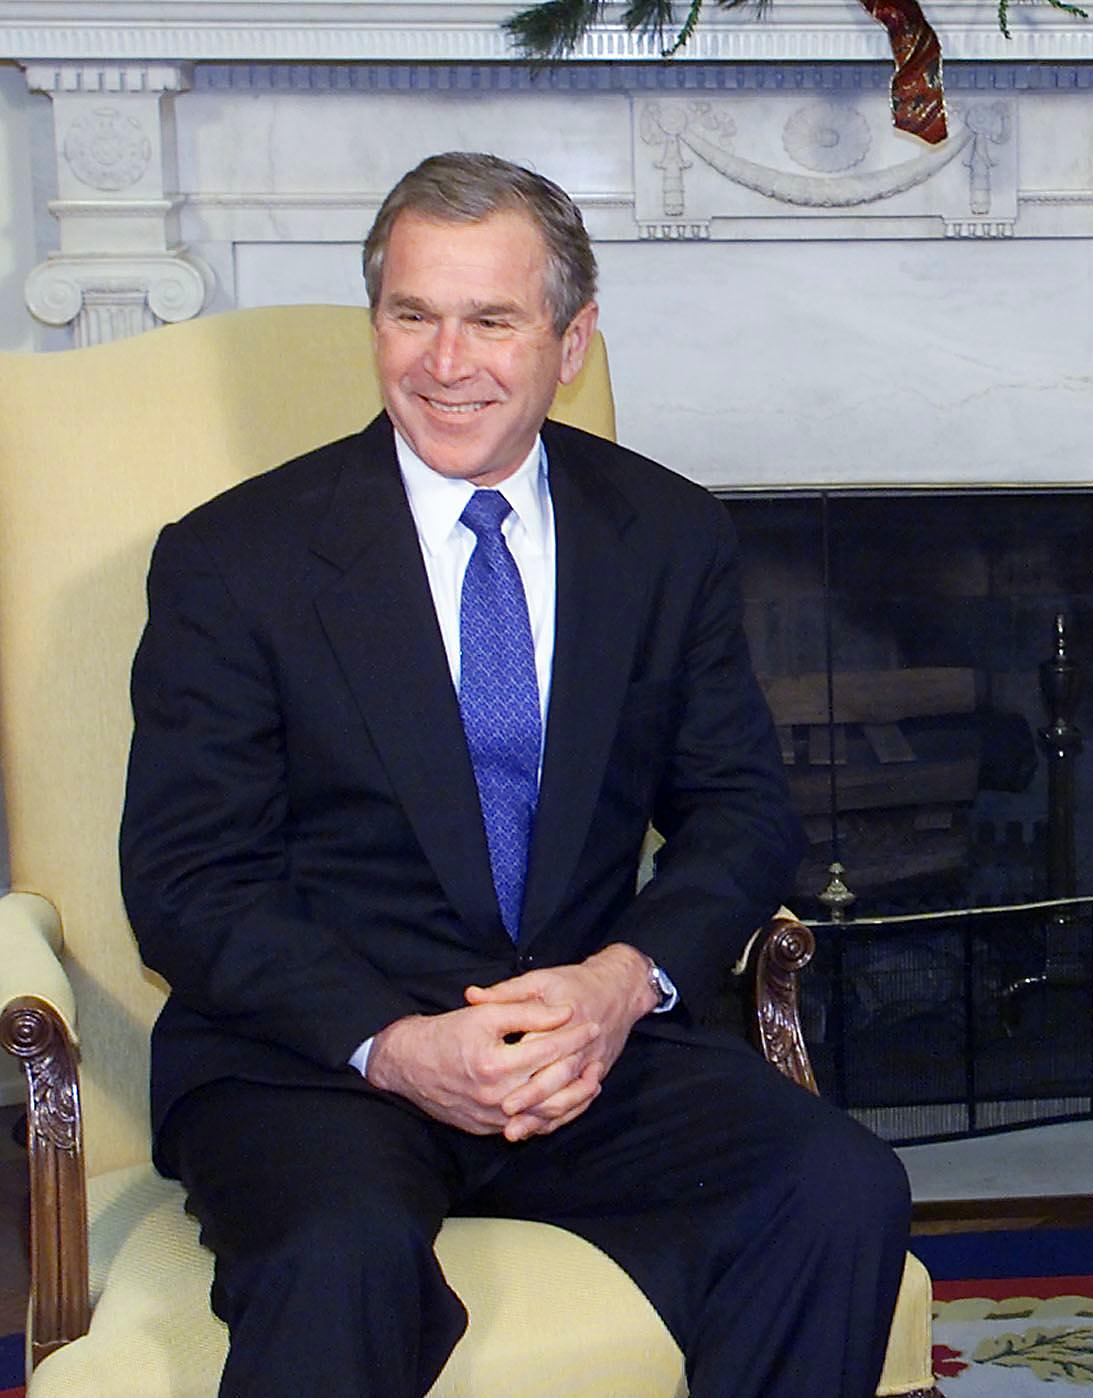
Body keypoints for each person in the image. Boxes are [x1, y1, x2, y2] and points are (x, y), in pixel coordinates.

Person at [118, 151, 910, 1398]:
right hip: (319, 1061)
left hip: (582, 1048)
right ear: (373, 322)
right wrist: (394, 1043)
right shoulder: (236, 558)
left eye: (492, 320)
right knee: (341, 1254)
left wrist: (615, 987)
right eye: (411, 315)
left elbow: (741, 815)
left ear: (572, 338)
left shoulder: (666, 534)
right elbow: (186, 879)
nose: (446, 363)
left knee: (836, 1186)